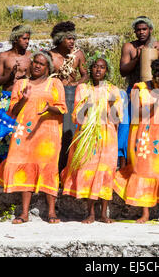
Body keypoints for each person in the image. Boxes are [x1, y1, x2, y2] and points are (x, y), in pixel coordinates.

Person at [0, 51, 67, 224]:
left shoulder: (55, 83)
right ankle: (24, 213)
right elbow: (12, 112)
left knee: (49, 168)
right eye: (35, 62)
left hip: (47, 135)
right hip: (24, 134)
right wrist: (23, 99)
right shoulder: (21, 84)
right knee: (25, 168)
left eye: (41, 64)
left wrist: (50, 108)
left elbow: (63, 109)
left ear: (47, 68)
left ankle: (51, 212)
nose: (36, 65)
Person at [113, 59, 159, 223]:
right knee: (144, 171)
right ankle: (145, 213)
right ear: (153, 77)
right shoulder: (140, 88)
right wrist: (155, 103)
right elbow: (137, 113)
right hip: (145, 134)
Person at [61, 53, 123, 224]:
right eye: (95, 66)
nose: (98, 70)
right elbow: (77, 117)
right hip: (87, 135)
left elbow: (117, 119)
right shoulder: (83, 89)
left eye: (102, 67)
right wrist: (88, 104)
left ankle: (103, 213)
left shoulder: (113, 90)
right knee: (88, 169)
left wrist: (110, 104)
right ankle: (90, 213)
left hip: (107, 136)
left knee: (105, 171)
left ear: (106, 71)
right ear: (91, 69)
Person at [118, 16, 159, 170]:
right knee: (128, 126)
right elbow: (123, 70)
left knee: (155, 126)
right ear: (134, 31)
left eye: (144, 29)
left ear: (150, 30)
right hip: (135, 91)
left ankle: (153, 160)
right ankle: (125, 165)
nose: (141, 32)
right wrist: (137, 58)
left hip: (155, 91)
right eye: (138, 30)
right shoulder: (129, 47)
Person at [0, 24, 33, 186]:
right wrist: (10, 74)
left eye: (28, 39)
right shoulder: (3, 56)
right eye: (24, 38)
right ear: (16, 39)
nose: (27, 42)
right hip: (6, 98)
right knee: (1, 134)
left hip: (23, 98)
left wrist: (24, 78)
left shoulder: (30, 57)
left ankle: (18, 173)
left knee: (21, 134)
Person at [49, 21, 88, 173]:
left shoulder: (78, 55)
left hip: (72, 95)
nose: (72, 42)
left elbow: (85, 74)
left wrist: (77, 83)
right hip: (54, 96)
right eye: (69, 39)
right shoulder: (50, 56)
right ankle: (53, 170)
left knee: (69, 134)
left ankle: (66, 170)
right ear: (60, 39)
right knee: (54, 135)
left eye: (74, 39)